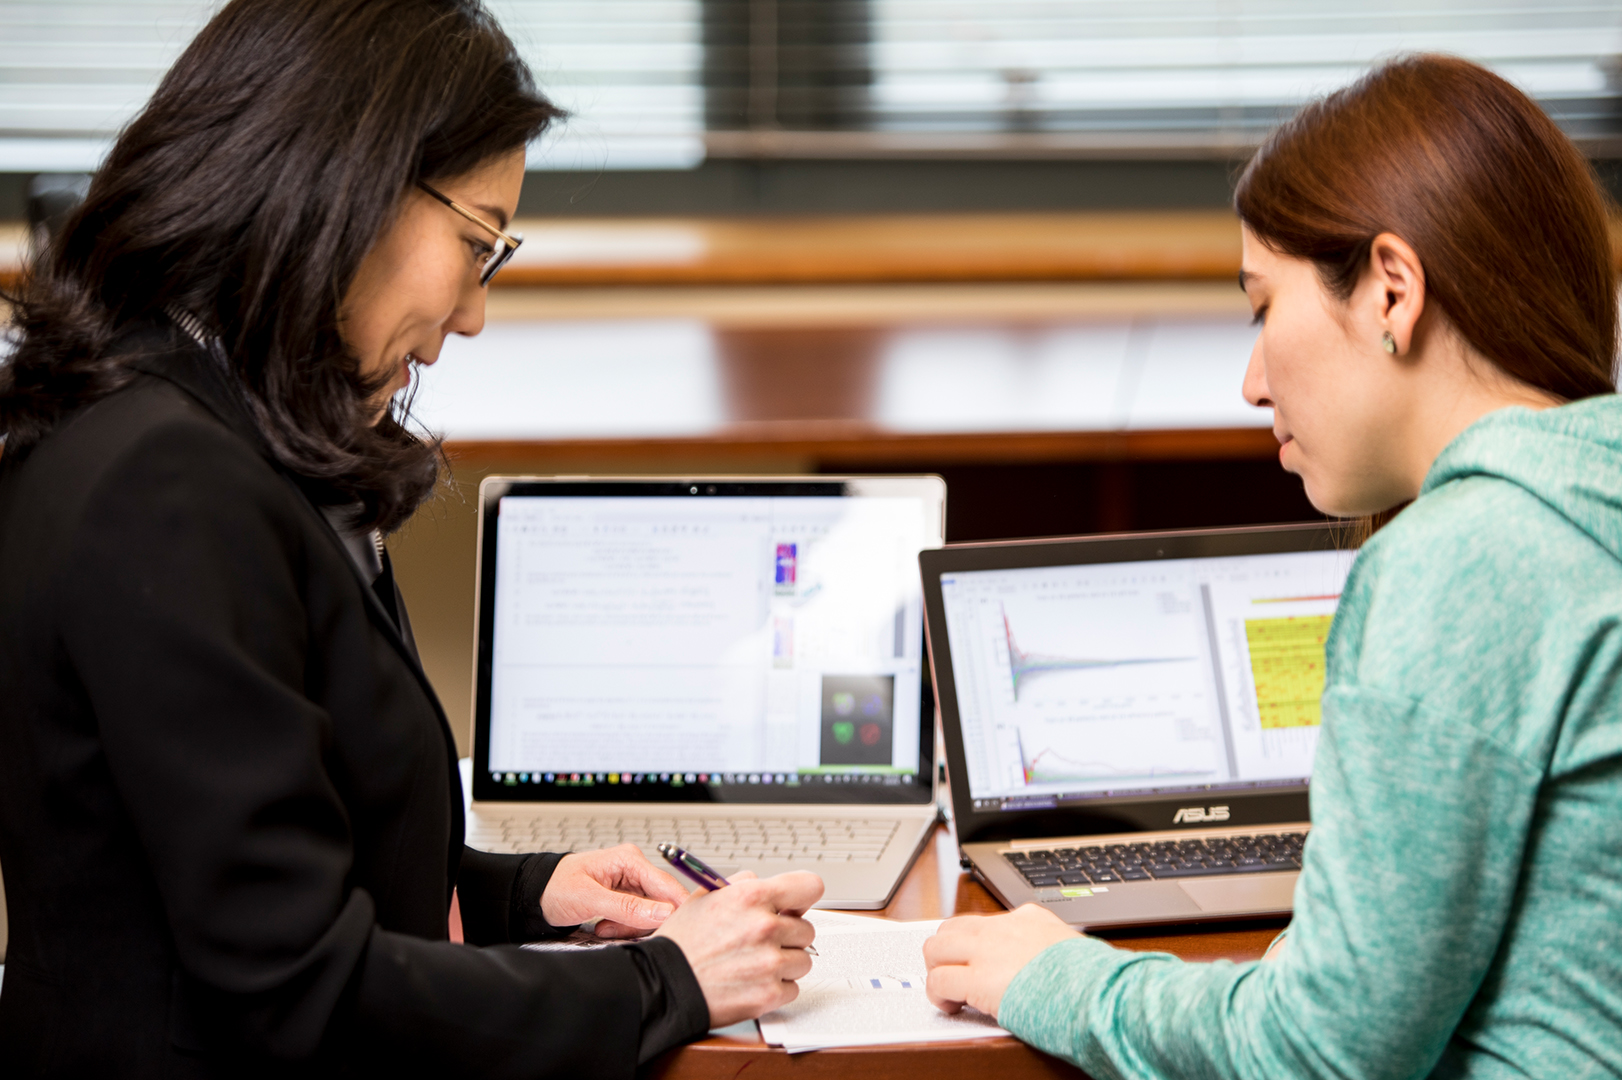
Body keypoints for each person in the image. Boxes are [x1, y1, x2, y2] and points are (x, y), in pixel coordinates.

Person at [0, 2, 820, 1076]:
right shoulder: (169, 488)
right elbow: (296, 989)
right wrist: (667, 981)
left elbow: (279, 866)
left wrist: (527, 894)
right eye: (476, 243)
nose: (474, 314)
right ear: (342, 184)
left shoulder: (193, 419)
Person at [923, 54, 1622, 1078]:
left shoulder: (1452, 566)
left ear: (1391, 290)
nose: (1250, 382)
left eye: (1261, 307)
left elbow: (1320, 1054)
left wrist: (1055, 977)